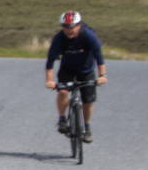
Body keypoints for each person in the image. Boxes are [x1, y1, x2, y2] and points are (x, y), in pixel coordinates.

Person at [45, 11, 107, 143]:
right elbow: (50, 61)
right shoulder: (59, 38)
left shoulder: (88, 36)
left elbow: (99, 56)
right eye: (66, 27)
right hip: (68, 69)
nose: (69, 30)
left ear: (78, 25)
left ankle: (87, 128)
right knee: (62, 91)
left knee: (88, 100)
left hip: (87, 70)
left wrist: (102, 75)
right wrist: (49, 80)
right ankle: (62, 119)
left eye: (72, 27)